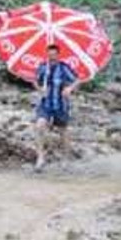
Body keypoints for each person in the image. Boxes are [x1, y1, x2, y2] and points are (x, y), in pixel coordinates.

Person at [33, 43, 78, 172]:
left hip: (61, 104)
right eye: (49, 54)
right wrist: (40, 89)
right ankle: (40, 157)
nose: (51, 57)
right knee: (39, 126)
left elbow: (77, 79)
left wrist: (69, 88)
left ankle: (66, 159)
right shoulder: (43, 68)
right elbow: (34, 80)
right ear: (47, 54)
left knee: (63, 132)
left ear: (58, 55)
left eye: (54, 54)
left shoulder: (63, 68)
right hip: (45, 103)